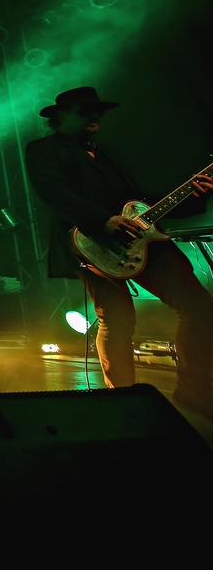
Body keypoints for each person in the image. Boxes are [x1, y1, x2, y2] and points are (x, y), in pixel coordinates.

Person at [24, 86, 213, 418]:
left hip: (143, 241)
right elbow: (53, 193)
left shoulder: (109, 153)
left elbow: (141, 200)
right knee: (116, 319)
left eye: (98, 111)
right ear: (62, 116)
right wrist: (101, 220)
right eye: (85, 111)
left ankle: (194, 394)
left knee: (200, 308)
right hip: (90, 244)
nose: (95, 116)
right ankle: (125, 401)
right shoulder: (43, 149)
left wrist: (196, 195)